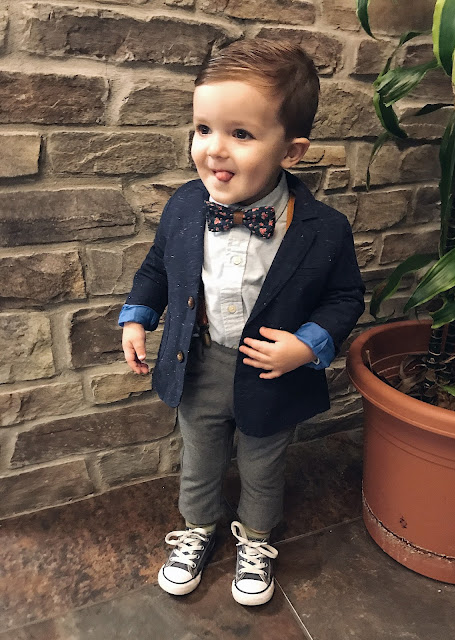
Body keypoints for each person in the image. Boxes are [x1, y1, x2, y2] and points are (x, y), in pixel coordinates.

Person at [119, 39, 365, 607]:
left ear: (292, 151)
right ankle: (198, 527)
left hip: (271, 371)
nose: (214, 149)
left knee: (262, 461)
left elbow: (345, 295)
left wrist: (307, 345)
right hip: (198, 360)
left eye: (241, 134)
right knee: (199, 455)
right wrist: (137, 318)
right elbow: (158, 266)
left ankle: (255, 538)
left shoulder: (324, 228)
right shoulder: (185, 205)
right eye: (203, 129)